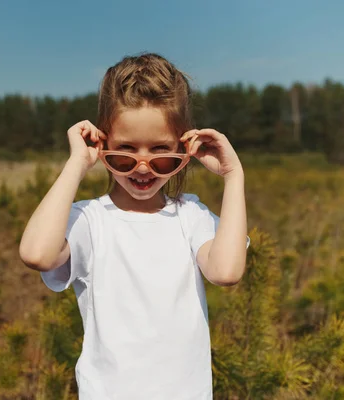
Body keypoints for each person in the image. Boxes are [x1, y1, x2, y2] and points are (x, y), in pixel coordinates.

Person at [19, 52, 249, 400]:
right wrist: (77, 164)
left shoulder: (190, 217)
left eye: (161, 152)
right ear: (102, 143)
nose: (143, 167)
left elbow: (227, 271)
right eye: (124, 153)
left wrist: (233, 177)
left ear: (185, 149)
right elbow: (37, 253)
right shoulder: (90, 221)